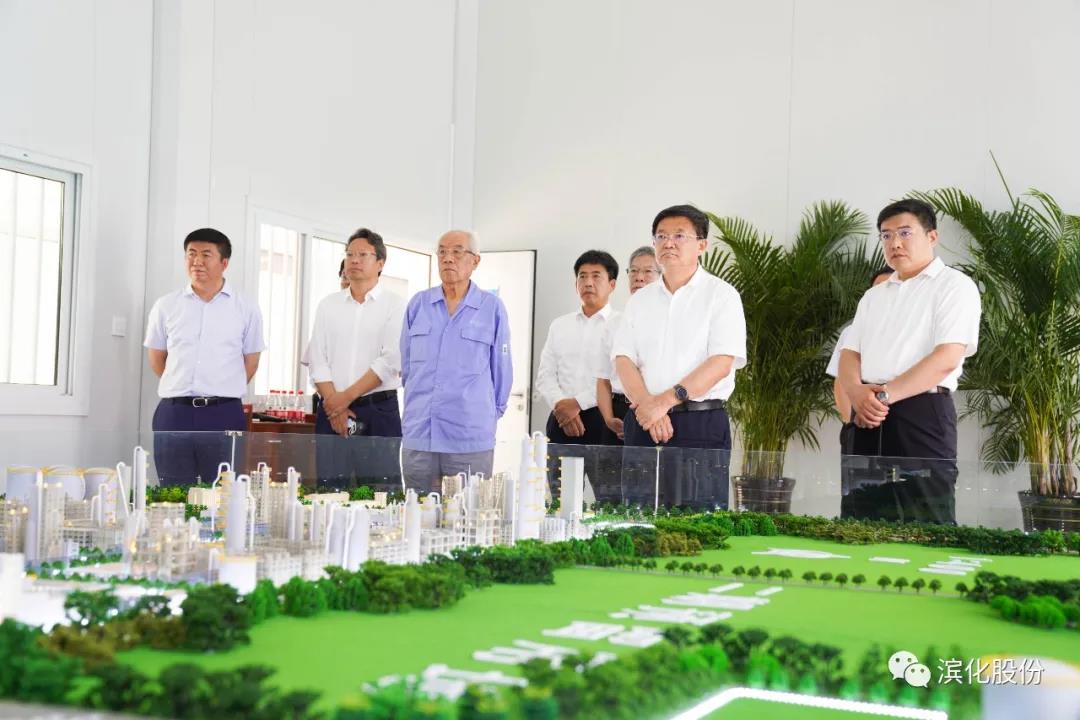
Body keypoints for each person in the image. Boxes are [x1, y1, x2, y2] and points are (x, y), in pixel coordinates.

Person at [837, 199, 981, 524]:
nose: (895, 243)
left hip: (921, 413)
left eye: (905, 233)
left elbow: (947, 358)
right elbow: (849, 353)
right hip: (867, 414)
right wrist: (856, 393)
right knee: (860, 518)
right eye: (886, 235)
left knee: (926, 517)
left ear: (932, 236)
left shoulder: (955, 286)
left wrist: (883, 395)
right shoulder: (873, 296)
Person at [613, 205, 746, 507]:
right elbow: (623, 359)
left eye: (679, 236)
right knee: (637, 516)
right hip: (643, 422)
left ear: (702, 245)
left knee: (696, 520)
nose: (668, 243)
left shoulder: (721, 295)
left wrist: (663, 403)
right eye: (661, 236)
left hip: (700, 423)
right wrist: (648, 407)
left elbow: (721, 363)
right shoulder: (640, 300)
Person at [144, 228, 264, 486]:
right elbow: (156, 358)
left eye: (206, 255)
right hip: (174, 413)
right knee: (174, 491)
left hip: (223, 413)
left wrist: (218, 389)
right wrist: (182, 384)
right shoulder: (166, 305)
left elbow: (251, 363)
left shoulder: (246, 307)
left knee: (223, 492)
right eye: (191, 254)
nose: (197, 261)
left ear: (224, 262)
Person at [400, 230, 512, 491]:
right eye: (442, 252)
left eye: (457, 252)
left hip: (469, 435)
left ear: (475, 261)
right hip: (420, 433)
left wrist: (486, 415)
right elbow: (407, 366)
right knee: (418, 509)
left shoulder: (491, 307)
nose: (448, 258)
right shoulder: (419, 304)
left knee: (467, 512)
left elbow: (501, 370)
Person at [307, 228, 406, 488]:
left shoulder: (395, 305)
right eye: (350, 254)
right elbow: (318, 359)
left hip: (376, 412)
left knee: (379, 491)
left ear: (380, 263)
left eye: (363, 255)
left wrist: (342, 400)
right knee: (330, 489)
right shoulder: (328, 305)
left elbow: (390, 360)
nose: (354, 260)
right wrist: (335, 406)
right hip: (332, 413)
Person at [535, 250, 619, 447]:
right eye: (582, 276)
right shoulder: (559, 325)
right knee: (558, 469)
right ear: (576, 284)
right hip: (560, 418)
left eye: (596, 276)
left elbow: (617, 377)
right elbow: (545, 375)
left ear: (612, 284)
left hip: (604, 418)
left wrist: (577, 404)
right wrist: (561, 406)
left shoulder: (621, 325)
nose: (588, 283)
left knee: (605, 469)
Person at [595, 246, 661, 445]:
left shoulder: (667, 322)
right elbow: (603, 379)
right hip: (618, 409)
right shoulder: (613, 323)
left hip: (656, 411)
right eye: (633, 271)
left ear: (662, 276)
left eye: (648, 271)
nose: (639, 278)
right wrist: (608, 419)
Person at [826, 266, 894, 449]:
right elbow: (841, 382)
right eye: (877, 289)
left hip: (901, 422)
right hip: (860, 421)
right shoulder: (852, 331)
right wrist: (850, 421)